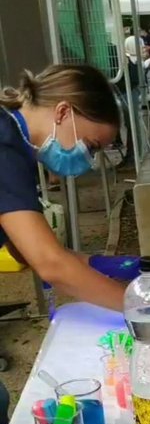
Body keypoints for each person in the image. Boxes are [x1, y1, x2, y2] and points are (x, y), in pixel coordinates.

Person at [0, 64, 130, 313]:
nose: (89, 158)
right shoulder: (5, 150)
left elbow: (22, 250)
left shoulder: (14, 143)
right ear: (62, 112)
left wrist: (95, 263)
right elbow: (50, 264)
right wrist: (138, 308)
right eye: (91, 146)